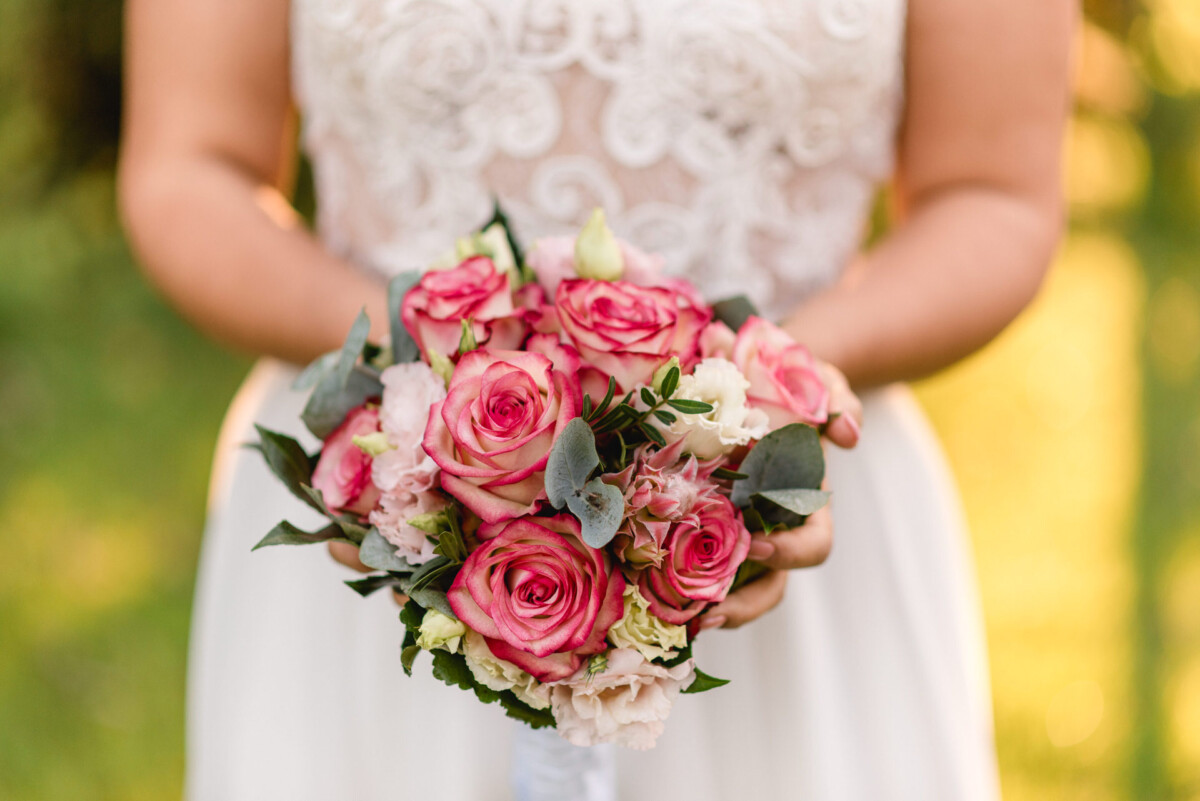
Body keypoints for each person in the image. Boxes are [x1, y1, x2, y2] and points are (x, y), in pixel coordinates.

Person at [118, 1, 1074, 799]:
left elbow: (993, 192)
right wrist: (429, 373)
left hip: (784, 541)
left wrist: (755, 398)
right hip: (383, 499)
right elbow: (189, 166)